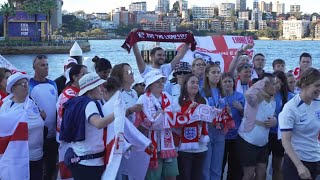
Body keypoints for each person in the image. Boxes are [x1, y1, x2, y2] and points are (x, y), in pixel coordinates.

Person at [60, 72, 115, 180]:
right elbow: (98, 123)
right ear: (91, 89)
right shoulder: (90, 104)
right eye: (99, 86)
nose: (102, 89)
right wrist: (119, 112)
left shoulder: (76, 102)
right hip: (91, 163)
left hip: (79, 159)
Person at [0, 72, 45, 180]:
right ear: (13, 89)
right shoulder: (7, 107)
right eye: (21, 84)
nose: (25, 86)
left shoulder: (31, 103)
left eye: (26, 83)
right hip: (18, 157)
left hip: (37, 154)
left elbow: (37, 121)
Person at [136, 70, 178, 180]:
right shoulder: (143, 99)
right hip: (151, 142)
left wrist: (164, 116)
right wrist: (161, 116)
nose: (161, 83)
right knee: (153, 177)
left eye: (162, 81)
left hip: (168, 141)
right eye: (157, 81)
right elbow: (145, 123)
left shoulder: (167, 96)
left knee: (171, 175)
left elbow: (174, 117)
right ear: (150, 85)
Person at [279, 68, 320, 180]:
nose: (319, 89)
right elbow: (285, 141)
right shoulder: (290, 108)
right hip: (296, 161)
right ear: (305, 84)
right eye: (317, 85)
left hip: (315, 157)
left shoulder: (318, 102)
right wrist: (299, 166)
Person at [237, 73, 277, 180]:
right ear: (265, 85)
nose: (276, 86)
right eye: (273, 84)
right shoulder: (255, 98)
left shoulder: (273, 100)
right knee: (249, 174)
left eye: (276, 83)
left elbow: (272, 116)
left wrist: (274, 121)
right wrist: (262, 82)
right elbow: (248, 94)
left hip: (263, 142)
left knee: (262, 173)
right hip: (248, 140)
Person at [29, 54, 58, 180]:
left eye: (47, 65)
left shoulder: (53, 84)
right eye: (42, 65)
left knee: (51, 166)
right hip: (38, 135)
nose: (46, 67)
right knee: (39, 168)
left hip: (53, 134)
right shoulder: (29, 85)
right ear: (34, 68)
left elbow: (56, 106)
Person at [56, 64, 87, 179]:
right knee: (69, 169)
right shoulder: (71, 94)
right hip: (69, 138)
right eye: (84, 74)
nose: (87, 76)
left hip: (68, 136)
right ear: (75, 77)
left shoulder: (74, 92)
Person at [175, 74, 209, 180]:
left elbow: (207, 121)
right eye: (192, 82)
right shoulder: (177, 101)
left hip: (200, 147)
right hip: (183, 148)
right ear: (185, 85)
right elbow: (175, 123)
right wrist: (189, 110)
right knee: (184, 177)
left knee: (197, 177)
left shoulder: (203, 101)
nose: (195, 85)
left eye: (197, 83)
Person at [201, 63, 225, 180]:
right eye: (213, 72)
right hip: (207, 131)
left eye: (218, 72)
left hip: (220, 131)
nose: (216, 75)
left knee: (217, 167)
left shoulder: (222, 91)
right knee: (206, 167)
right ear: (207, 74)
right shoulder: (202, 92)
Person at [268, 71, 294, 180]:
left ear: (283, 83)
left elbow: (292, 119)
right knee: (261, 166)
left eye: (278, 82)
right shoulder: (267, 94)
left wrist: (277, 121)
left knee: (277, 166)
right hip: (266, 133)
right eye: (274, 82)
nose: (276, 85)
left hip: (281, 135)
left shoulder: (290, 97)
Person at [220, 72, 245, 180]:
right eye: (225, 81)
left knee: (235, 167)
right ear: (221, 83)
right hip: (222, 136)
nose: (227, 84)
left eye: (229, 81)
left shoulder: (240, 96)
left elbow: (247, 116)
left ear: (233, 82)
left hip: (236, 136)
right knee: (220, 165)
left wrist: (240, 109)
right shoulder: (218, 97)